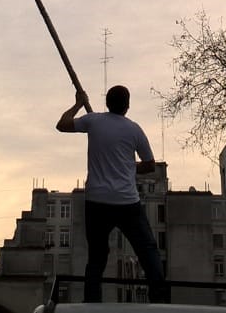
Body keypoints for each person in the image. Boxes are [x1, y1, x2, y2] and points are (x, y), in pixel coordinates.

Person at [57, 85, 169, 303]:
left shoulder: (93, 121)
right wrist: (128, 165)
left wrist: (79, 103)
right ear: (127, 106)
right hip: (127, 202)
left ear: (107, 102)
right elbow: (150, 165)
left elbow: (62, 125)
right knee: (147, 252)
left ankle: (91, 304)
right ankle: (161, 301)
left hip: (96, 201)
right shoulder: (134, 129)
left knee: (97, 258)